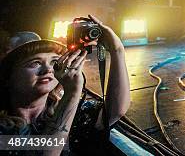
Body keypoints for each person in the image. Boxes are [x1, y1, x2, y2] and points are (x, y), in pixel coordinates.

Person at [0, 16, 130, 155]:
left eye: (53, 61)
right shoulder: (3, 129)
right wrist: (72, 92)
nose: (48, 69)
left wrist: (117, 50)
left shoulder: (59, 108)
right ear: (8, 77)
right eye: (35, 63)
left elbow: (114, 112)